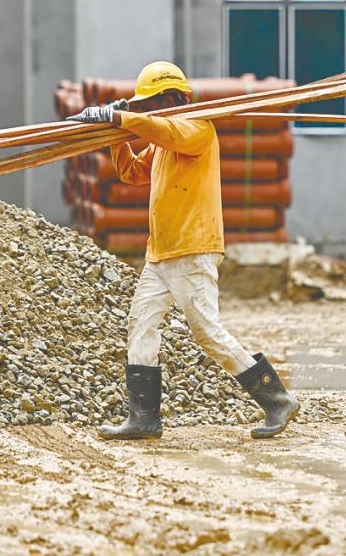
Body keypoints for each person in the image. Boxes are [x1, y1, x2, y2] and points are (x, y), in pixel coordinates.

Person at [67, 61, 298, 440]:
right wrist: (116, 132)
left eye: (152, 104)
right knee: (141, 327)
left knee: (206, 330)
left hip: (192, 248)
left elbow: (165, 130)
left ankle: (276, 399)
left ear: (173, 99)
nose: (148, 112)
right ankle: (143, 418)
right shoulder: (162, 143)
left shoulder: (197, 130)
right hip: (160, 253)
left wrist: (122, 117)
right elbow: (131, 173)